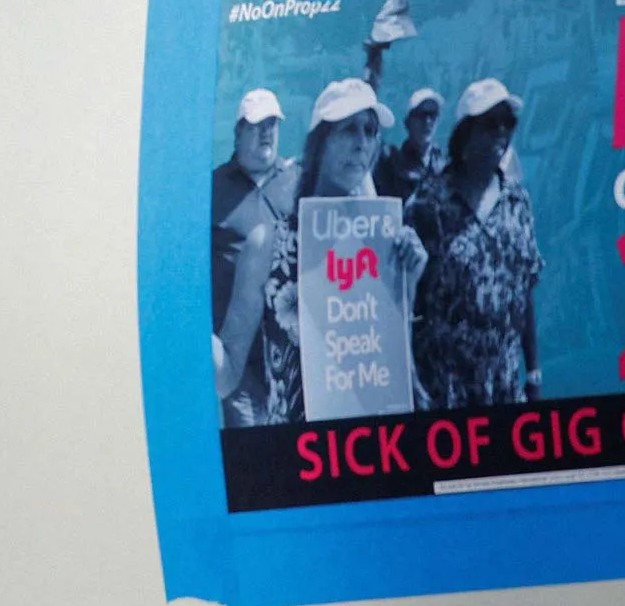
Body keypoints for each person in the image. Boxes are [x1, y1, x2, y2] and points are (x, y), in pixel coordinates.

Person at [214, 80, 428, 425]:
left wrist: (408, 283)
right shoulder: (268, 243)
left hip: (368, 440)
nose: (362, 142)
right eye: (349, 129)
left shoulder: (382, 242)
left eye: (370, 131)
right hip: (296, 447)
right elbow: (226, 377)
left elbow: (385, 356)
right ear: (319, 143)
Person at [405, 78, 544, 409]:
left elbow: (525, 290)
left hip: (504, 384)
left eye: (508, 122)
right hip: (445, 386)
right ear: (465, 134)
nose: (501, 132)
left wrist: (533, 371)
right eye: (490, 124)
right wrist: (410, 378)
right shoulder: (428, 204)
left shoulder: (517, 202)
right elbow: (404, 299)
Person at [211, 88, 296, 426]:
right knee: (251, 451)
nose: (266, 132)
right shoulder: (211, 188)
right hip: (239, 363)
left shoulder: (297, 181)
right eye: (257, 125)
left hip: (290, 358)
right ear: (238, 133)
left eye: (272, 124)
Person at [373, 86, 443, 202]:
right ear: (408, 123)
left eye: (433, 114)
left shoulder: (443, 166)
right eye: (421, 115)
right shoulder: (391, 164)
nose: (427, 121)